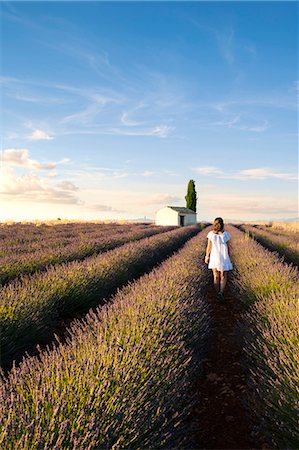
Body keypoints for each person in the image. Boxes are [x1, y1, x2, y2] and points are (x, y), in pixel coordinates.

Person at [204, 217, 233, 301]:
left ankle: (219, 293)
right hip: (221, 256)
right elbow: (209, 246)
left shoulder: (223, 234)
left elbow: (209, 247)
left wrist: (207, 256)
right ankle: (220, 293)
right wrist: (229, 256)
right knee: (222, 275)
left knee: (216, 276)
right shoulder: (220, 234)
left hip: (216, 256)